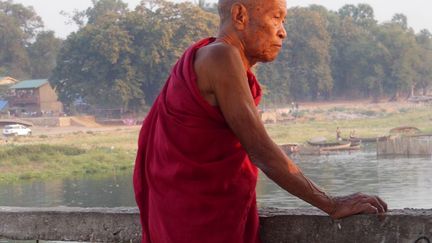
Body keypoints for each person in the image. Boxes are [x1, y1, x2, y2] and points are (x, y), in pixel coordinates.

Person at [133, 0, 388, 242]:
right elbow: (261, 150)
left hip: (189, 218)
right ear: (240, 16)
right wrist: (331, 203)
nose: (283, 32)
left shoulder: (211, 60)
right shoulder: (220, 56)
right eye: (276, 18)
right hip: (197, 225)